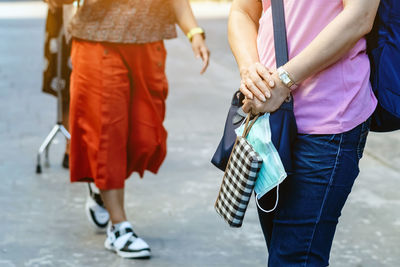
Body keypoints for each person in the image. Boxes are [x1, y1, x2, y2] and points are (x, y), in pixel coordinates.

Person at [45, 0, 209, 259]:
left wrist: (194, 32)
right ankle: (119, 227)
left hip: (147, 44)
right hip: (97, 41)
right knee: (107, 133)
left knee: (145, 139)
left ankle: (101, 190)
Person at [229, 0, 379, 266]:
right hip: (269, 121)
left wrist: (283, 80)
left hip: (330, 120)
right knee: (282, 251)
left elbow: (360, 16)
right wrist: (251, 71)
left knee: (293, 258)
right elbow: (243, 11)